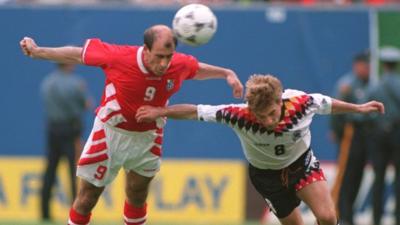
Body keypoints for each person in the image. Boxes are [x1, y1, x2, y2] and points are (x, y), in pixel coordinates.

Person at [19, 24, 243, 225]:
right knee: (87, 198)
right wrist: (39, 52)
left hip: (148, 137)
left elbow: (196, 68)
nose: (164, 63)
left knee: (137, 194)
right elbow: (78, 54)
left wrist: (227, 74)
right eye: (159, 56)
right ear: (145, 50)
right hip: (110, 134)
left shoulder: (177, 64)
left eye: (169, 56)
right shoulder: (120, 57)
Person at [135, 74, 384, 225]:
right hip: (267, 177)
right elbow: (195, 110)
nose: (267, 121)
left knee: (328, 217)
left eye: (272, 113)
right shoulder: (238, 115)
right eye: (261, 116)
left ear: (280, 100)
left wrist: (359, 108)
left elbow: (329, 105)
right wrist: (160, 111)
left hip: (301, 164)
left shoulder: (302, 103)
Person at [40, 62, 91, 221]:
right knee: (74, 172)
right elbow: (86, 104)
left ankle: (45, 213)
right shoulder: (75, 83)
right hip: (71, 131)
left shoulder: (47, 82)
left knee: (50, 171)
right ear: (68, 64)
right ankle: (76, 212)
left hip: (53, 129)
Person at [329, 51, 372, 225]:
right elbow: (335, 109)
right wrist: (337, 132)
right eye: (364, 65)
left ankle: (349, 215)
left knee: (358, 176)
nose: (367, 69)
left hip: (364, 136)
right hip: (350, 134)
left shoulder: (369, 84)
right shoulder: (347, 85)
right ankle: (340, 216)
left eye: (368, 65)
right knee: (345, 177)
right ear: (357, 66)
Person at [368, 46, 400, 225]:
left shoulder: (376, 85)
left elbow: (366, 109)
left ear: (383, 64)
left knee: (378, 177)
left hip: (379, 135)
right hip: (398, 135)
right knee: (399, 179)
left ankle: (376, 219)